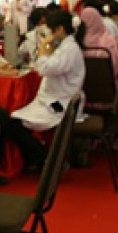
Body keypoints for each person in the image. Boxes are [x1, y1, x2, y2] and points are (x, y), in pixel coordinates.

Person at [11, 10, 85, 160]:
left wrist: (44, 47)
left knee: (14, 124)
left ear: (60, 29)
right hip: (54, 100)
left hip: (59, 105)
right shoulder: (66, 47)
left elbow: (44, 68)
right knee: (15, 121)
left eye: (51, 30)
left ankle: (44, 160)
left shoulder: (69, 50)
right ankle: (40, 158)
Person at [79, 7, 118, 77]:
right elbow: (117, 66)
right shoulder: (109, 41)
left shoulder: (77, 43)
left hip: (83, 84)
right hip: (109, 83)